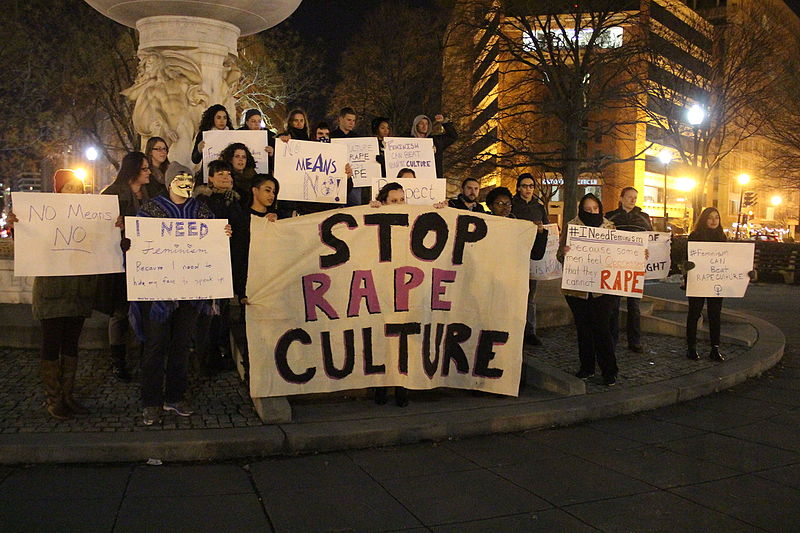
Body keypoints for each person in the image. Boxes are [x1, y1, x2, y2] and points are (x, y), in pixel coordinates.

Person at [130, 162, 230, 425]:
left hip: (191, 291)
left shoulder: (202, 211)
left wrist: (223, 235)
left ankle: (174, 396)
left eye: (189, 178)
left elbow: (212, 244)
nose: (185, 183)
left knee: (182, 346)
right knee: (154, 347)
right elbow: (139, 245)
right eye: (180, 178)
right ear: (169, 182)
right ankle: (151, 401)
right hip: (159, 294)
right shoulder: (151, 210)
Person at [9, 170, 98, 419]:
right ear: (59, 191)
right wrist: (18, 225)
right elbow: (28, 243)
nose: (76, 192)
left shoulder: (88, 218)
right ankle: (54, 398)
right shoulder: (43, 216)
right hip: (52, 291)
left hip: (78, 291)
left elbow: (101, 244)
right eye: (70, 187)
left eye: (79, 188)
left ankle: (68, 396)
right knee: (51, 345)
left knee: (71, 345)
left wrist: (115, 230)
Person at [98, 152, 152, 382]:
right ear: (133, 171)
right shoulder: (111, 195)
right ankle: (118, 362)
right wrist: (115, 227)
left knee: (145, 310)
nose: (149, 172)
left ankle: (143, 357)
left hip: (146, 262)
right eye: (145, 168)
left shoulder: (151, 194)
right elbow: (100, 229)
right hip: (120, 262)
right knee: (120, 313)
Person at [557, 193, 619, 386]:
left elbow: (620, 253)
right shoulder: (572, 226)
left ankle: (609, 370)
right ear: (581, 210)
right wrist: (564, 253)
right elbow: (560, 255)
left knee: (601, 328)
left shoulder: (610, 227)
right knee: (583, 328)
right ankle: (587, 367)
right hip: (578, 289)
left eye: (595, 209)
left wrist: (639, 253)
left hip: (603, 287)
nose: (592, 212)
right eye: (587, 209)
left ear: (600, 208)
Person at [194, 160, 243, 373]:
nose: (226, 177)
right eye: (220, 173)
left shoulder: (235, 199)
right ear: (210, 178)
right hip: (209, 261)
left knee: (221, 310)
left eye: (228, 173)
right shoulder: (204, 200)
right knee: (209, 311)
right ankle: (207, 355)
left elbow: (241, 225)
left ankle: (220, 352)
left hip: (229, 258)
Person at [231, 174, 280, 381]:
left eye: (274, 191)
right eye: (267, 190)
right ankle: (254, 373)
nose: (271, 195)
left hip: (273, 284)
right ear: (254, 191)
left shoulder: (279, 217)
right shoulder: (241, 219)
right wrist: (240, 289)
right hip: (251, 285)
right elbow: (239, 256)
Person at [682, 207, 744, 362]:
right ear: (704, 219)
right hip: (698, 280)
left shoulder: (722, 237)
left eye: (716, 217)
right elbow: (686, 256)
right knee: (694, 314)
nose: (714, 220)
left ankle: (715, 348)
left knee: (715, 314)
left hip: (716, 281)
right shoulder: (695, 236)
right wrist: (687, 265)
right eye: (710, 217)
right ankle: (691, 347)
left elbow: (730, 260)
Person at [605, 187, 653, 353]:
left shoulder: (644, 218)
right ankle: (612, 339)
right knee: (613, 305)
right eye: (629, 197)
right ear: (621, 198)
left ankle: (635, 341)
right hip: (615, 267)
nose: (633, 200)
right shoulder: (610, 217)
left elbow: (652, 239)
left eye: (635, 197)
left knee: (634, 306)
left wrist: (648, 251)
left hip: (635, 268)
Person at [511, 173, 547, 345]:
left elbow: (547, 229)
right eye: (524, 186)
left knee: (530, 297)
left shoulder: (539, 207)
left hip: (531, 257)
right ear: (518, 187)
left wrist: (541, 231)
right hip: (512, 256)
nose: (528, 189)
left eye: (531, 186)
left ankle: (529, 331)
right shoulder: (510, 205)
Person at [411, 113, 458, 179]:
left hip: (433, 178)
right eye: (421, 123)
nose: (424, 126)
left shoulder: (436, 141)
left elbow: (453, 136)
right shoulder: (407, 141)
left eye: (426, 124)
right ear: (416, 125)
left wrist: (444, 122)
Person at [238, 108, 276, 173]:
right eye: (253, 121)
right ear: (247, 122)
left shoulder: (270, 135)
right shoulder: (238, 134)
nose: (257, 124)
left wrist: (272, 152)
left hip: (264, 171)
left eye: (259, 121)